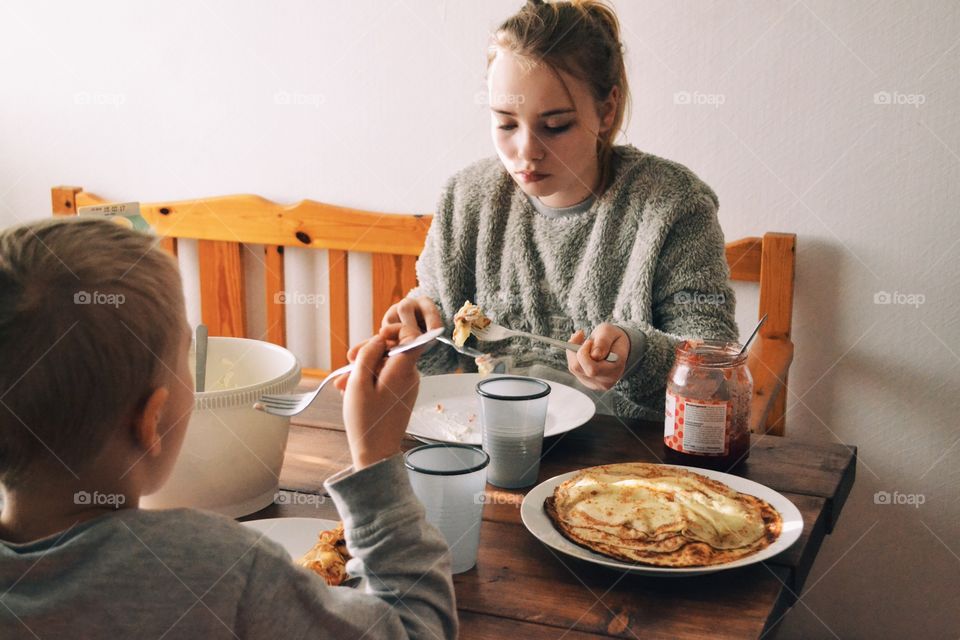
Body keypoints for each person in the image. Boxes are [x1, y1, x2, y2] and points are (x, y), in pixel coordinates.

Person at [0, 217, 457, 639]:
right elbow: (415, 628)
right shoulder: (213, 569)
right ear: (151, 420)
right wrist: (375, 457)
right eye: (183, 359)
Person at [378, 0, 738, 420]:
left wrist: (636, 351)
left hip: (627, 462)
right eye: (506, 123)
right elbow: (437, 320)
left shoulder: (673, 204)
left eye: (555, 125)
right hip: (487, 443)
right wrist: (418, 332)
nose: (526, 152)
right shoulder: (467, 199)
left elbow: (714, 366)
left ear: (606, 111)